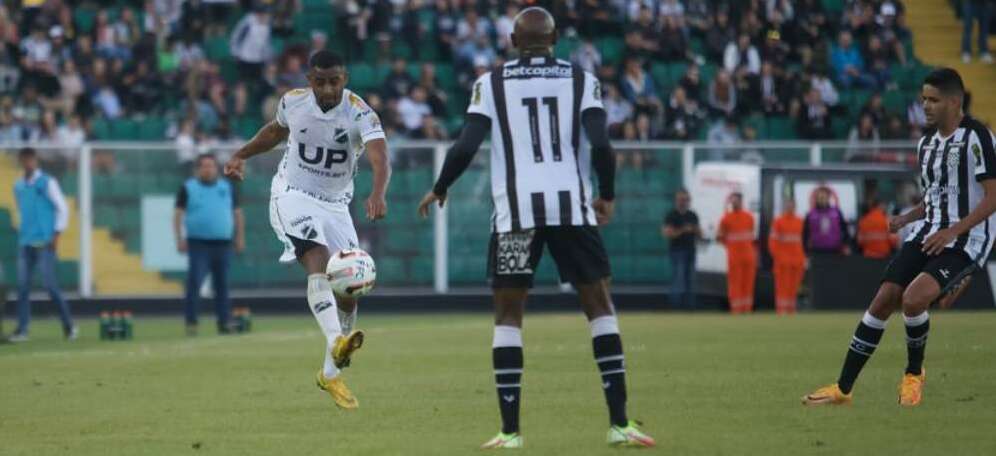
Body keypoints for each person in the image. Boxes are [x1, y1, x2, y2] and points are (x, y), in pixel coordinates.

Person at [416, 7, 655, 449]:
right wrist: (607, 194)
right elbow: (602, 143)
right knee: (600, 307)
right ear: (556, 38)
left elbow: (468, 143)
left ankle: (509, 433)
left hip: (515, 215)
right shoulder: (583, 80)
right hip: (572, 210)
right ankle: (620, 425)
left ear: (511, 40)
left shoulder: (489, 83)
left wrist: (441, 185)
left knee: (508, 317)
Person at [803, 68, 996, 407]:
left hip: (967, 239)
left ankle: (913, 374)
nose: (926, 106)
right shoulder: (926, 145)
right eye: (923, 99)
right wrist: (907, 217)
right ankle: (842, 389)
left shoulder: (978, 138)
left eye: (934, 100)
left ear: (955, 102)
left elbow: (993, 197)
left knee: (912, 299)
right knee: (883, 299)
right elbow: (936, 196)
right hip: (928, 231)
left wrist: (953, 231)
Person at [223, 50, 391, 410]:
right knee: (318, 258)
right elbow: (274, 132)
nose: (328, 88)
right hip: (292, 194)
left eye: (334, 81)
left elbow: (379, 154)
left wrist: (378, 192)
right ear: (309, 80)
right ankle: (336, 340)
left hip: (336, 205)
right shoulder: (293, 103)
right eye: (320, 81)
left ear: (344, 79)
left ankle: (330, 375)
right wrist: (241, 154)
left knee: (349, 292)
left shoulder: (360, 111)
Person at [174, 154, 245, 335]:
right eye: (204, 166)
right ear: (198, 169)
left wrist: (239, 237)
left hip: (223, 243)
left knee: (222, 284)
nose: (208, 169)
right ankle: (191, 322)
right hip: (198, 243)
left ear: (216, 168)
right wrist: (179, 238)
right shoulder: (188, 188)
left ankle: (224, 322)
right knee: (195, 282)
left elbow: (237, 214)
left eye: (211, 166)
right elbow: (178, 215)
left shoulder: (227, 187)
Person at [9, 148, 75, 342]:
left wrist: (56, 235)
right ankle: (22, 329)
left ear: (35, 161)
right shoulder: (18, 186)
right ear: (21, 161)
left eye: (31, 159)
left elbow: (62, 208)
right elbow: (22, 210)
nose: (28, 163)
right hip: (25, 242)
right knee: (22, 288)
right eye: (25, 160)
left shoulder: (47, 182)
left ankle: (68, 326)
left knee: (50, 286)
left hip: (45, 242)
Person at [717, 192, 756, 314]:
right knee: (735, 284)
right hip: (734, 257)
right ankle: (736, 310)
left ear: (741, 201)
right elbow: (720, 237)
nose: (734, 203)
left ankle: (747, 309)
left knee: (748, 284)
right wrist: (729, 247)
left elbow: (750, 234)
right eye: (732, 201)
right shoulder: (725, 218)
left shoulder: (749, 217)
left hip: (748, 256)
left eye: (736, 200)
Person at [662, 189, 701, 310]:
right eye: (681, 200)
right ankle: (676, 307)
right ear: (676, 201)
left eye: (685, 200)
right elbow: (667, 233)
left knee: (690, 279)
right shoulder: (671, 215)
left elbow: (699, 233)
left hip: (691, 249)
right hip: (677, 250)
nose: (683, 202)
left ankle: (690, 307)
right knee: (678, 278)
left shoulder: (692, 215)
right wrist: (683, 230)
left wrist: (695, 230)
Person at [768, 198, 805, 315]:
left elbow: (803, 241)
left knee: (793, 288)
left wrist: (802, 258)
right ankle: (781, 311)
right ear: (784, 207)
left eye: (792, 205)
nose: (790, 207)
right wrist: (779, 257)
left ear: (795, 206)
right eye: (787, 205)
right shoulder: (778, 221)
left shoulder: (800, 221)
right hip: (782, 262)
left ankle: (791, 310)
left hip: (797, 260)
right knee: (782, 288)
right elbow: (772, 242)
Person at [803, 187, 851, 255]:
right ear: (816, 199)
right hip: (816, 250)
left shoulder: (836, 212)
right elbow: (805, 233)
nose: (822, 199)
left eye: (824, 197)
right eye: (819, 198)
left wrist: (846, 245)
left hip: (835, 250)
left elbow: (844, 229)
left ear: (828, 198)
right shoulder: (810, 214)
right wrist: (805, 250)